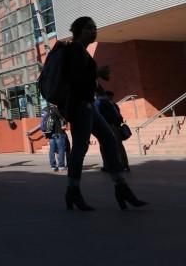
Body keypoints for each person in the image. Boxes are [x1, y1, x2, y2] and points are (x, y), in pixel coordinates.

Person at [61, 17, 145, 211]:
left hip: (87, 105)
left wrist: (98, 81)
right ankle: (73, 191)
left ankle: (120, 187)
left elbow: (84, 78)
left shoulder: (81, 52)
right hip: (80, 107)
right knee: (80, 148)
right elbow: (74, 79)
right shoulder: (74, 50)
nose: (94, 31)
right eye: (90, 28)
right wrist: (97, 72)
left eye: (94, 28)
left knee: (108, 139)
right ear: (80, 31)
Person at [96, 91, 130, 172]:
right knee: (118, 146)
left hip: (108, 127)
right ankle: (123, 164)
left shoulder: (102, 103)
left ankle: (109, 165)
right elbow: (119, 116)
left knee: (106, 147)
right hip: (114, 126)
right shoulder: (113, 104)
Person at [42, 104, 67, 172]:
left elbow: (42, 122)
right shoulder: (56, 109)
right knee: (61, 149)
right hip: (58, 132)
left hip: (49, 133)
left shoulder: (44, 109)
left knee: (52, 150)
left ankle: (53, 166)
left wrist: (44, 131)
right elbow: (63, 118)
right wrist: (65, 124)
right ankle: (61, 166)